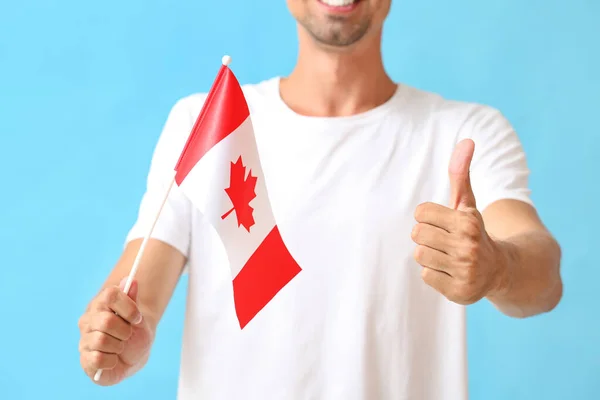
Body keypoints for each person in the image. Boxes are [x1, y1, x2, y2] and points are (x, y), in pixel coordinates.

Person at [77, 0, 563, 398]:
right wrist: (117, 333)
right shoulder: (204, 127)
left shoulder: (466, 132)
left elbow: (543, 276)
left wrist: (496, 267)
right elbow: (138, 286)